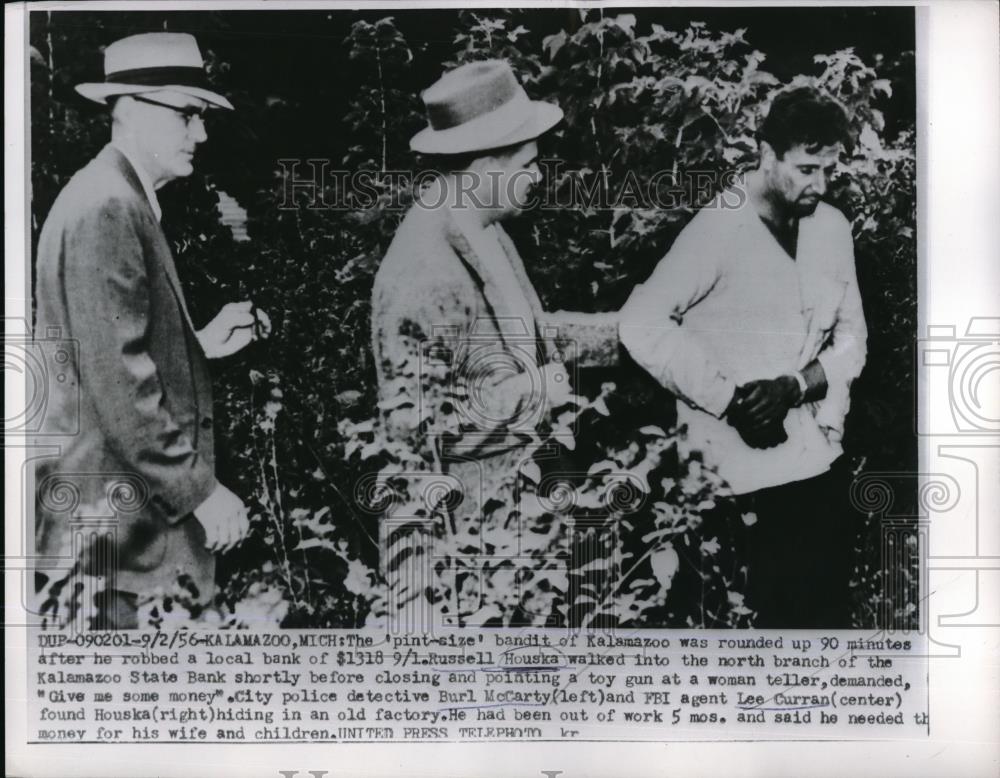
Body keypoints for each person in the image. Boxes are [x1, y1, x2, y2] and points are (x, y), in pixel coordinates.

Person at [34, 32, 270, 628]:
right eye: (189, 114)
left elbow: (109, 349)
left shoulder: (118, 197)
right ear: (132, 110)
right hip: (122, 535)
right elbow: (120, 384)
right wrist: (201, 492)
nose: (203, 134)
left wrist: (196, 346)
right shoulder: (107, 207)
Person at [371, 60, 616, 622]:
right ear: (485, 163)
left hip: (510, 523)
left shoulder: (483, 227)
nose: (539, 174)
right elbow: (414, 436)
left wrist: (628, 334)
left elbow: (529, 333)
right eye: (529, 163)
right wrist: (540, 389)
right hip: (464, 546)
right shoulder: (423, 273)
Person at [620, 85, 868, 628]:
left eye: (829, 170)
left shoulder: (831, 229)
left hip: (816, 463)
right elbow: (640, 322)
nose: (819, 185)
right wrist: (730, 401)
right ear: (765, 152)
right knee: (750, 635)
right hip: (732, 479)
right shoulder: (718, 229)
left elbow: (853, 342)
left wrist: (795, 385)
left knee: (824, 632)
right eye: (806, 168)